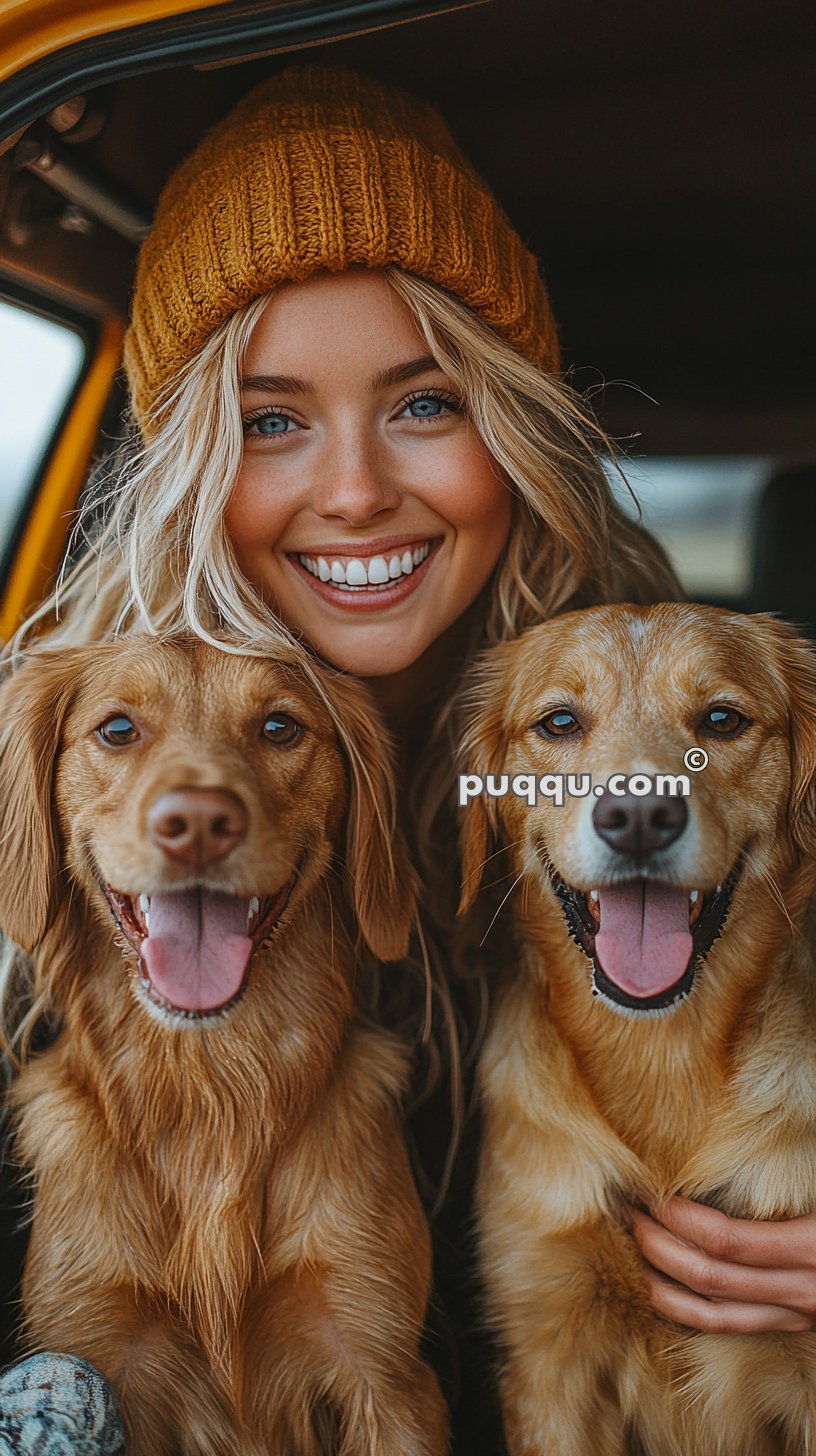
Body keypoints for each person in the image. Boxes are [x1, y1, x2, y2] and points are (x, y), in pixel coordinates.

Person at [2, 61, 814, 1454]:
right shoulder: (94, 770)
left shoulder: (651, 735)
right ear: (192, 454)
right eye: (270, 420)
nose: (357, 486)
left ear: (511, 426)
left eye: (427, 402)